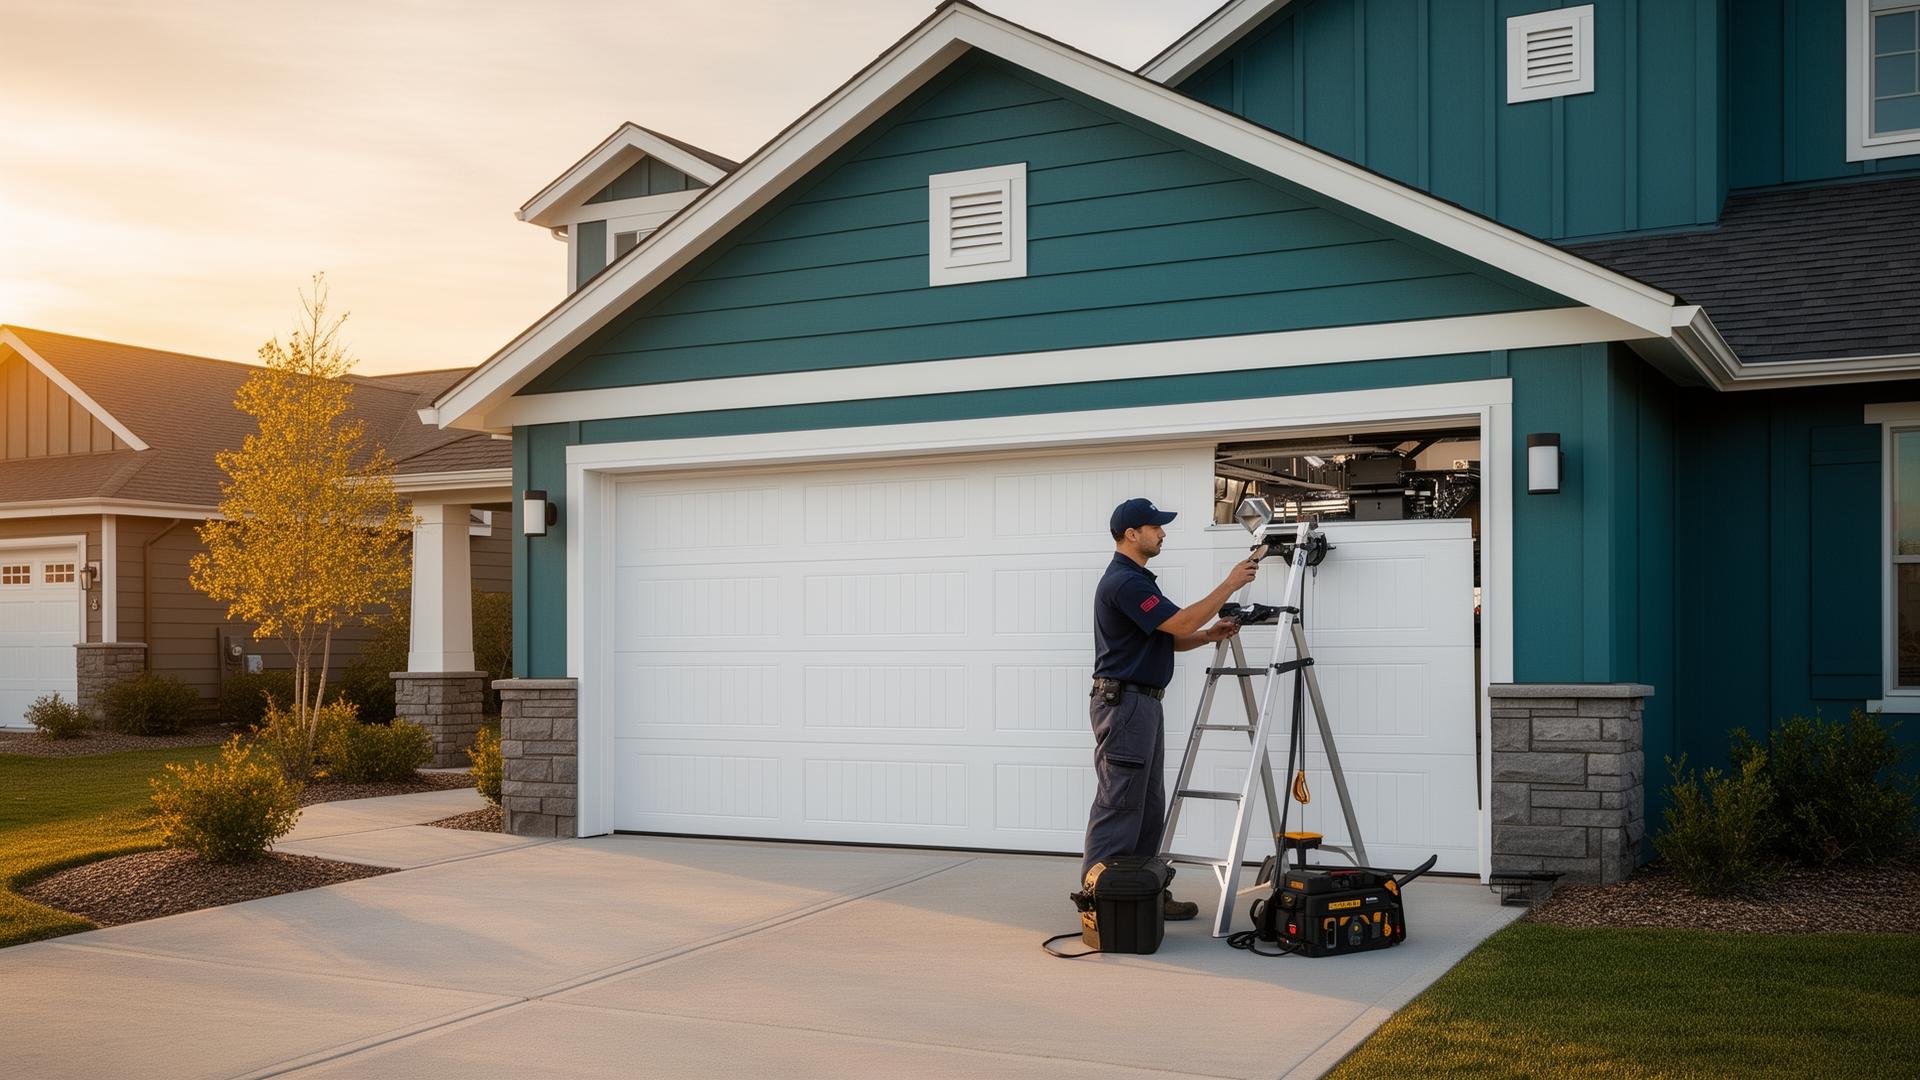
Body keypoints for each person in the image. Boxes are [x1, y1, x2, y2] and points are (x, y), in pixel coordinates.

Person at [1085, 497, 1259, 920]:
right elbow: (1179, 622)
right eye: (1156, 527)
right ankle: (1101, 904)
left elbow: (1172, 636)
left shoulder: (1139, 580)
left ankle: (1144, 893)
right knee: (1119, 806)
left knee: (1147, 807)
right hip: (1124, 705)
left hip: (1140, 705)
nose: (1163, 533)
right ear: (1132, 533)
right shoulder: (1124, 582)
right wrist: (1230, 583)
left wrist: (1207, 635)